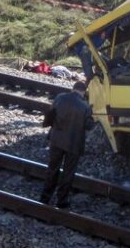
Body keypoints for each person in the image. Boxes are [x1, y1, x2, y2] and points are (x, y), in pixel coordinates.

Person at [39, 81, 94, 209]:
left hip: (56, 140)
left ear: (73, 89)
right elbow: (89, 126)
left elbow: (50, 114)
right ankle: (61, 201)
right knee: (68, 173)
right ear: (83, 91)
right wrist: (93, 119)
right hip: (74, 144)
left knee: (52, 169)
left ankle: (45, 197)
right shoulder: (85, 106)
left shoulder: (60, 98)